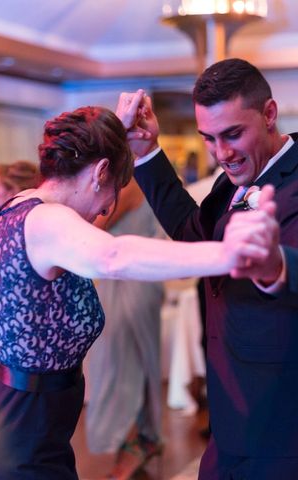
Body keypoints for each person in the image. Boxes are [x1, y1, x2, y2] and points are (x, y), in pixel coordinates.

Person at [0, 105, 279, 480]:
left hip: (29, 421)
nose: (106, 209)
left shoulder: (25, 206)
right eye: (111, 192)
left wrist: (110, 130)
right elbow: (113, 255)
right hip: (20, 431)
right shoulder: (47, 220)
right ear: (99, 172)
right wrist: (228, 253)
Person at [119, 58, 298, 480]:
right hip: (236, 414)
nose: (222, 153)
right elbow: (192, 234)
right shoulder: (232, 180)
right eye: (210, 138)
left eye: (233, 134)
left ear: (269, 114)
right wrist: (146, 154)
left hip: (296, 424)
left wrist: (276, 265)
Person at [86, 179, 165, 479]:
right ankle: (141, 442)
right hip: (125, 283)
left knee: (124, 366)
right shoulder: (124, 183)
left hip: (131, 284)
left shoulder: (130, 184)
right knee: (126, 364)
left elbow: (95, 227)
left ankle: (137, 444)